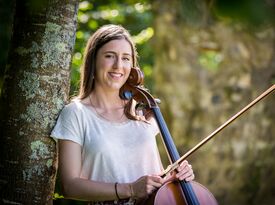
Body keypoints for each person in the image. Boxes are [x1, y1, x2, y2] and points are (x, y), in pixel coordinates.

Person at [51, 24, 195, 205]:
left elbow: (152, 175)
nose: (119, 65)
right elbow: (70, 186)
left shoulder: (143, 111)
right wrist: (130, 189)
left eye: (126, 58)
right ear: (93, 61)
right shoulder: (76, 113)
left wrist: (171, 177)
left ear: (133, 67)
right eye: (110, 56)